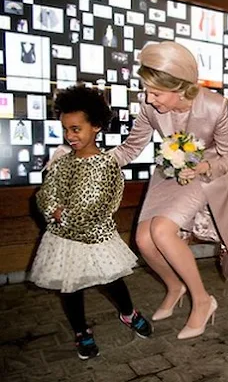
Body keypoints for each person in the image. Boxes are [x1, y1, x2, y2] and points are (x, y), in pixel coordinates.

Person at [111, 41, 228, 340]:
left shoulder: (215, 105)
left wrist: (202, 169)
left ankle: (203, 300)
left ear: (180, 87)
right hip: (169, 169)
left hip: (205, 171)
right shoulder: (149, 107)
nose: (148, 98)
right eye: (146, 91)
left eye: (155, 93)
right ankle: (175, 286)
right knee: (143, 240)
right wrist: (95, 161)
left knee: (162, 232)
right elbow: (131, 147)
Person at [29, 86, 153, 360]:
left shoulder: (107, 165)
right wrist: (53, 210)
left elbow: (95, 206)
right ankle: (81, 332)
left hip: (97, 240)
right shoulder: (62, 162)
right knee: (69, 286)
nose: (70, 136)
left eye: (76, 129)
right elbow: (46, 194)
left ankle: (128, 313)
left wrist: (64, 216)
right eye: (66, 129)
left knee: (112, 281)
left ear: (96, 126)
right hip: (63, 241)